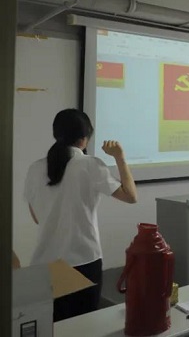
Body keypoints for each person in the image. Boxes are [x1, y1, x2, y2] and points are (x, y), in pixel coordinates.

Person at [24, 109, 137, 321]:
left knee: (49, 327)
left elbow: (37, 217)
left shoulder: (35, 168)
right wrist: (119, 156)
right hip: (83, 262)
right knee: (83, 326)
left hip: (43, 265)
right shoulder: (90, 165)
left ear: (56, 134)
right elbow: (131, 196)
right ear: (84, 138)